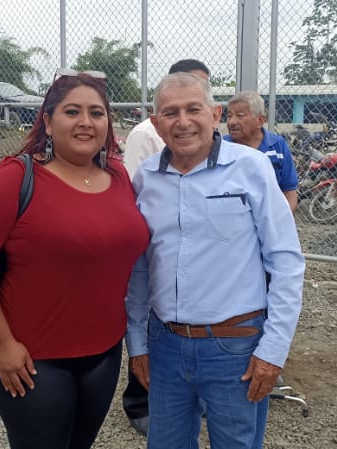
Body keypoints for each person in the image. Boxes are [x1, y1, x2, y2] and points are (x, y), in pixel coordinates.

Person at [0, 70, 150, 449]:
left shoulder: (118, 175)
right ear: (47, 121)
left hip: (104, 353)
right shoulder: (14, 178)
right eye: (72, 112)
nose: (85, 122)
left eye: (96, 113)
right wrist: (3, 344)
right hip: (33, 357)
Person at [126, 72, 305, 449]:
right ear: (156, 123)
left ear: (215, 114)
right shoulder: (146, 178)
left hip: (235, 347)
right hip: (165, 344)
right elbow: (140, 267)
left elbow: (286, 262)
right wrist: (138, 344)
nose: (183, 122)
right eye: (170, 113)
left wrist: (273, 351)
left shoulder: (251, 168)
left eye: (194, 109)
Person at [120, 58, 211, 437]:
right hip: (156, 260)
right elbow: (135, 186)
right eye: (173, 110)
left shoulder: (243, 166)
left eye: (197, 101)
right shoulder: (144, 137)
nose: (184, 119)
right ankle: (139, 402)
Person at [122, 59, 211, 178]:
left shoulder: (234, 165)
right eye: (191, 81)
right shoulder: (144, 134)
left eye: (206, 85)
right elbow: (132, 179)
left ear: (215, 116)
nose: (184, 123)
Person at [224, 91, 299, 212]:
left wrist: (282, 219)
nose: (231, 122)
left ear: (260, 120)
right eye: (229, 116)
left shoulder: (278, 146)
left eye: (240, 115)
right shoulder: (221, 147)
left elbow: (289, 190)